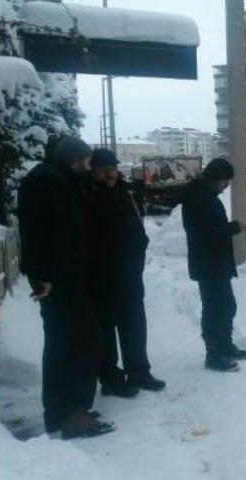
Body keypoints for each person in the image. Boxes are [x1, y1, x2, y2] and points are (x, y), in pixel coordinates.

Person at [18, 136, 116, 439]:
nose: (90, 167)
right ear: (74, 159)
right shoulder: (49, 183)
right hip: (59, 281)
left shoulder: (55, 178)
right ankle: (73, 414)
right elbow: (38, 233)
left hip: (62, 278)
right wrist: (41, 275)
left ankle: (63, 412)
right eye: (87, 161)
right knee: (80, 343)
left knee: (66, 345)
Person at [86, 149, 165, 398]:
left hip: (130, 274)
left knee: (134, 325)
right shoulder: (87, 195)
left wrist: (139, 249)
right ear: (94, 171)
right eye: (103, 169)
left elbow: (137, 224)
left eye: (112, 168)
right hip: (102, 278)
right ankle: (111, 379)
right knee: (106, 331)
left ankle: (139, 372)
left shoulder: (126, 192)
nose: (110, 174)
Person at [181, 158, 246, 372]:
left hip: (215, 262)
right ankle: (214, 354)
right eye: (225, 181)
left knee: (226, 306)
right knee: (215, 309)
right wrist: (235, 227)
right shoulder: (198, 198)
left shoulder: (205, 194)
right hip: (208, 263)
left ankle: (225, 346)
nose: (226, 186)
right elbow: (206, 233)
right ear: (215, 178)